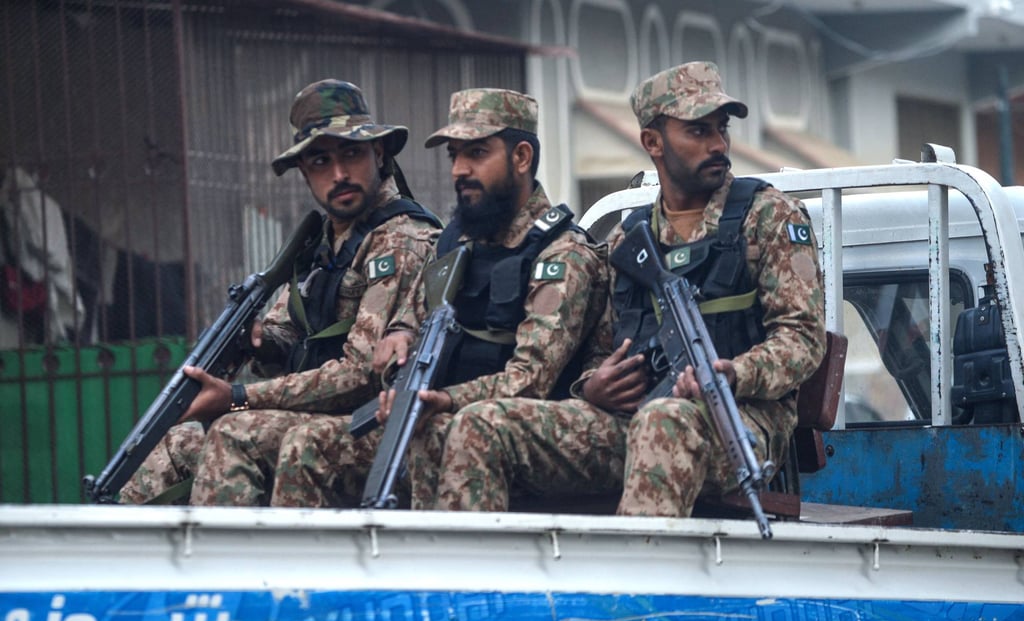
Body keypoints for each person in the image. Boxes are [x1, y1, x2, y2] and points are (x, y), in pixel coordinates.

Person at [427, 61, 825, 517]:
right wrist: (592, 386)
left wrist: (734, 372)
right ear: (653, 143)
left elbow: (802, 338)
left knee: (664, 422)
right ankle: (475, 583)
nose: (717, 144)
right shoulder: (628, 242)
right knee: (482, 423)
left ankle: (632, 586)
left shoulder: (769, 218)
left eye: (721, 128)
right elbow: (603, 348)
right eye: (697, 131)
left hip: (738, 421)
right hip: (633, 420)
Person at [268, 87, 608, 509]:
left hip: (520, 434)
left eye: (477, 154)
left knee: (452, 432)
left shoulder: (562, 255)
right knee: (307, 444)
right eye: (454, 156)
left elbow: (530, 380)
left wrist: (445, 400)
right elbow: (411, 316)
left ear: (521, 157)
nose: (459, 171)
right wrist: (399, 336)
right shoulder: (454, 244)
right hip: (435, 415)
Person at [118, 79, 440, 504]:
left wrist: (237, 397)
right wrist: (260, 340)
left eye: (351, 154)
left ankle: (233, 569)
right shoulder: (325, 245)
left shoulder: (400, 239)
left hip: (376, 430)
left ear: (378, 154)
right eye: (321, 161)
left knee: (234, 433)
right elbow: (286, 330)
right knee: (176, 446)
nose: (339, 174)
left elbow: (360, 374)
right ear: (305, 172)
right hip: (316, 420)